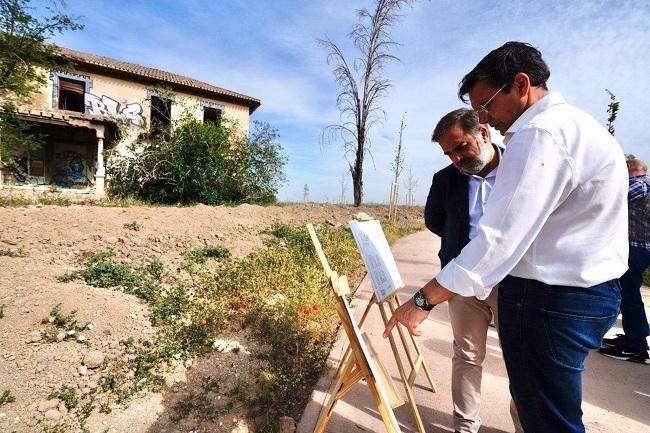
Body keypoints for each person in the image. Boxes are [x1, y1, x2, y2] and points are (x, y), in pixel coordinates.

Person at [384, 41, 628, 433]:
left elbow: (498, 241)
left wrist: (423, 298)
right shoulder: (577, 126)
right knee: (547, 408)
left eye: (485, 105)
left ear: (520, 84)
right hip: (578, 292)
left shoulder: (540, 135)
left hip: (551, 300)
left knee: (546, 419)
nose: (484, 116)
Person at [425, 108, 522, 433]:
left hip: (515, 283)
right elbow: (434, 221)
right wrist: (462, 243)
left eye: (461, 147)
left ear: (483, 133)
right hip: (461, 284)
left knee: (521, 362)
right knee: (466, 356)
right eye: (448, 153)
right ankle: (465, 427)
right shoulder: (444, 179)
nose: (455, 158)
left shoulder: (520, 167)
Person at [599, 158, 650, 364]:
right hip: (639, 248)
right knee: (625, 293)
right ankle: (633, 337)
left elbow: (611, 199)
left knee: (628, 295)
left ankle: (636, 345)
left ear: (629, 168)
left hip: (636, 248)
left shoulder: (639, 184)